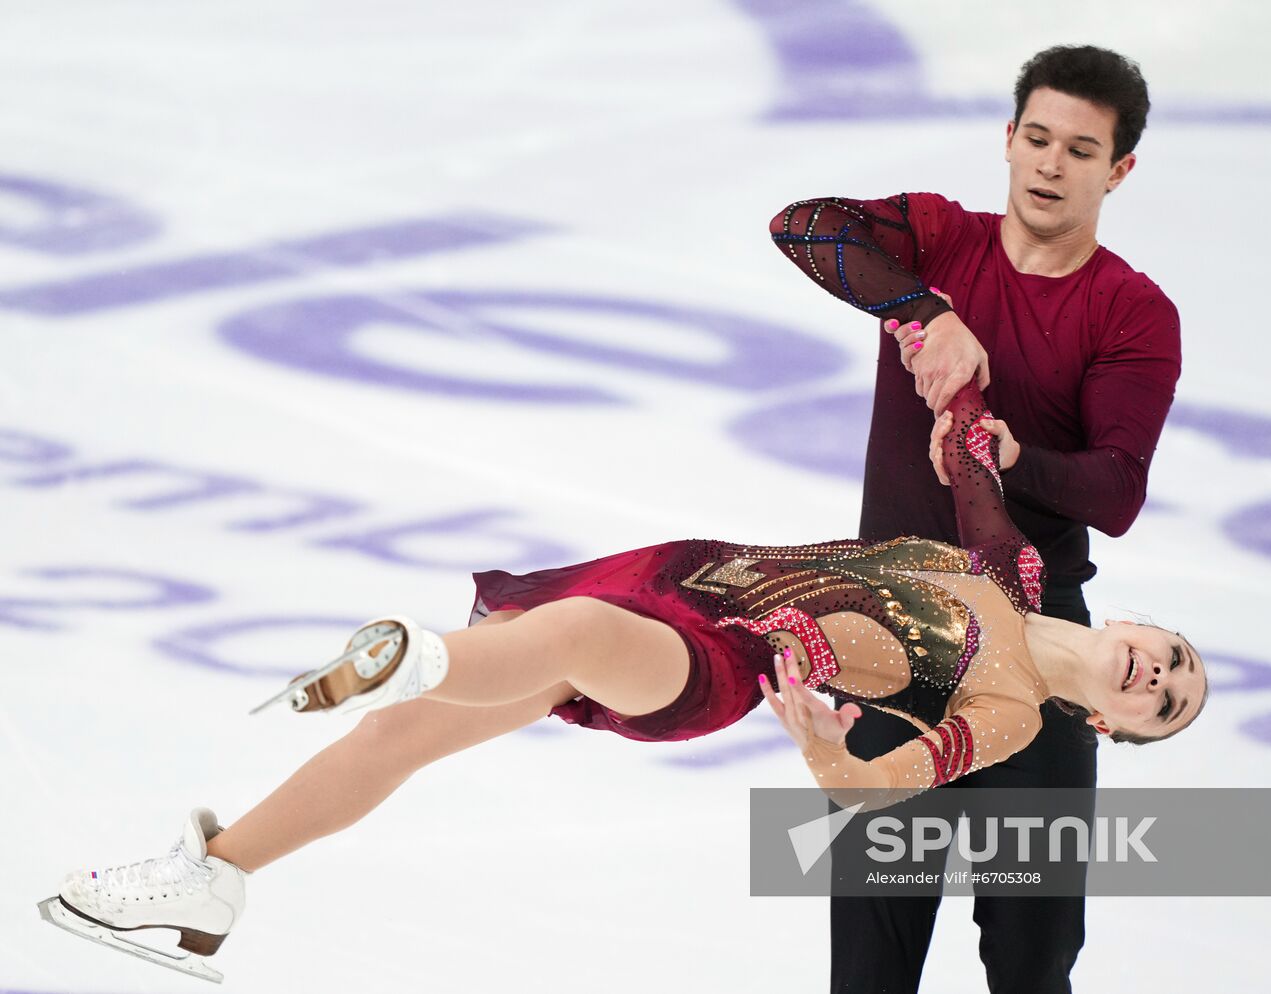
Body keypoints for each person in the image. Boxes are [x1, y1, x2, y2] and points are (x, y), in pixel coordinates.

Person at [38, 377, 1206, 985]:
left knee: (567, 639)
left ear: (1104, 719)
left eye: (1161, 702)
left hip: (712, 657)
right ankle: (213, 880)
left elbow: (880, 782)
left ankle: (416, 657)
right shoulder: (1007, 564)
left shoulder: (1003, 716)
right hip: (688, 569)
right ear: (1144, 622)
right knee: (403, 742)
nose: (1159, 674)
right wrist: (944, 367)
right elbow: (963, 448)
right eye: (1176, 660)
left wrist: (814, 745)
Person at [768, 44, 1182, 994]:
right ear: (1007, 140)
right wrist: (924, 310)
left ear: (1118, 170)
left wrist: (1015, 457)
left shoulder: (1129, 312)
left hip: (1039, 656)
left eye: (1080, 151)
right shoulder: (941, 240)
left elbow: (1116, 491)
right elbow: (802, 225)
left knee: (1033, 965)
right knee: (871, 961)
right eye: (1036, 139)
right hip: (894, 640)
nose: (1050, 164)